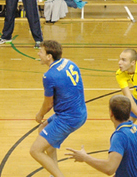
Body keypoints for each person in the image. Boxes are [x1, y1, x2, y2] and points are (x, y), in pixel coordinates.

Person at [28, 40, 87, 177]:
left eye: (41, 52)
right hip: (79, 111)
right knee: (42, 129)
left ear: (49, 56)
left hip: (69, 118)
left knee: (35, 150)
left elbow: (48, 104)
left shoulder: (49, 76)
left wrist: (39, 114)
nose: (38, 54)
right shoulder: (69, 63)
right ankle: (53, 172)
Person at [66, 95, 137, 176]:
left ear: (111, 113)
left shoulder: (120, 136)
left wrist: (85, 158)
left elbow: (109, 169)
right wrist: (133, 167)